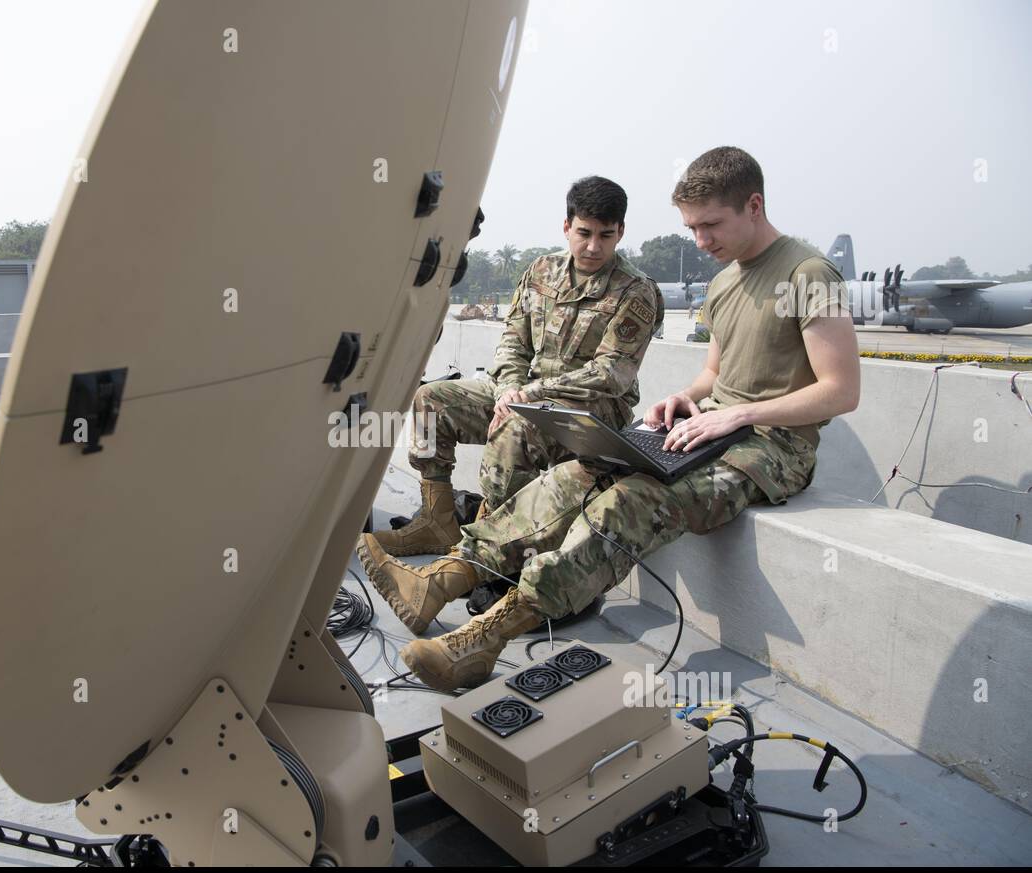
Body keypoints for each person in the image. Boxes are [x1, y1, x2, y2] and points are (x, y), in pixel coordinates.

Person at [357, 146, 861, 692]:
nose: (701, 241)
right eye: (692, 227)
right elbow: (713, 375)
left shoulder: (807, 273)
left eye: (711, 225)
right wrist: (681, 398)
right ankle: (445, 577)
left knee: (629, 500)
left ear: (754, 205)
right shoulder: (724, 283)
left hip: (771, 447)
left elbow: (840, 391)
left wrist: (738, 413)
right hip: (710, 428)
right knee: (575, 474)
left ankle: (486, 638)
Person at [368, 176, 663, 557]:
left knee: (516, 425)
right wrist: (509, 387)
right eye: (584, 232)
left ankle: (489, 550)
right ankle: (436, 520)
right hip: (523, 393)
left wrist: (527, 395)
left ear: (620, 232)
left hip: (592, 411)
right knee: (431, 400)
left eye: (605, 235)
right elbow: (513, 341)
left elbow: (610, 374)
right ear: (566, 226)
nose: (593, 246)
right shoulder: (541, 271)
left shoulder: (635, 290)